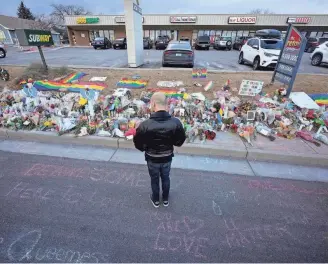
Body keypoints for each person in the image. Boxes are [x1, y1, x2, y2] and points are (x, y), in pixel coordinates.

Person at [133, 92, 186, 208]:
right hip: (167, 156)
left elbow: (138, 144)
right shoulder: (175, 122)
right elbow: (180, 141)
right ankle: (166, 199)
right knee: (166, 177)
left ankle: (156, 200)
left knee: (154, 179)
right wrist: (171, 142)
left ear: (153, 104)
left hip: (152, 158)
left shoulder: (145, 125)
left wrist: (145, 148)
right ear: (166, 104)